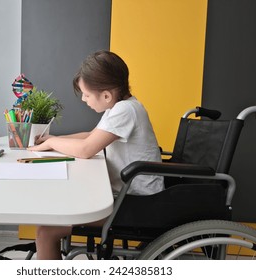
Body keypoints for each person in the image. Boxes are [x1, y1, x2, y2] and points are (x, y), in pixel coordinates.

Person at [27, 50, 164, 259]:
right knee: (52, 217)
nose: (83, 99)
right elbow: (91, 136)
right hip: (125, 197)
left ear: (106, 95)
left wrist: (54, 142)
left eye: (87, 94)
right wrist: (53, 139)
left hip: (136, 203)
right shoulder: (119, 107)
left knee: (46, 231)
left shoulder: (125, 111)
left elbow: (86, 149)